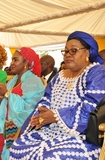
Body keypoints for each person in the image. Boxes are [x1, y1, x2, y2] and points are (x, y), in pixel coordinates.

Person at [10, 31, 105, 159]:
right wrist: (40, 117)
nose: (68, 55)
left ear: (87, 53)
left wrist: (55, 116)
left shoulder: (97, 73)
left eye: (74, 50)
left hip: (82, 136)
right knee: (18, 147)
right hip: (51, 131)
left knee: (51, 156)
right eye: (66, 51)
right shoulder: (60, 76)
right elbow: (45, 101)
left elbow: (90, 109)